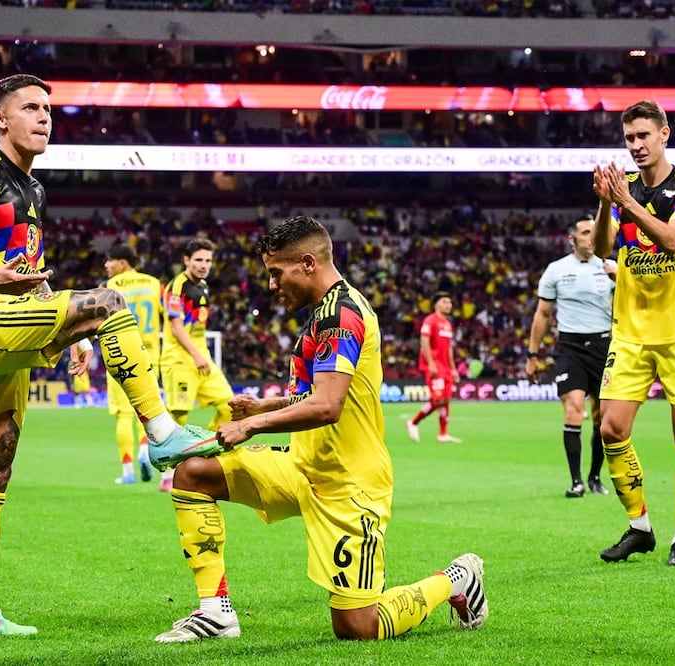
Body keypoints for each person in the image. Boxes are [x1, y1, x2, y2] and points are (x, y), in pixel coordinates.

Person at [0, 74, 222, 638]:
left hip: (0, 340)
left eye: (48, 109)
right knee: (109, 300)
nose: (44, 117)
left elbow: (27, 278)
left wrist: (74, 335)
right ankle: (160, 431)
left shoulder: (32, 192)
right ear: (1, 119)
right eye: (29, 107)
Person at [152, 216, 487, 643]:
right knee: (194, 473)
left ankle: (457, 580)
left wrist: (253, 424)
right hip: (301, 465)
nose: (271, 285)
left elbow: (328, 406)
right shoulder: (324, 313)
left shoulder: (341, 315)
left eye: (277, 273)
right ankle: (215, 612)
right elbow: (315, 394)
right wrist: (264, 404)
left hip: (349, 483)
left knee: (357, 627)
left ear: (308, 263)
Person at [592, 99, 675, 567]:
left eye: (644, 135)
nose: (636, 146)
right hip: (630, 331)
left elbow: (672, 239)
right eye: (629, 138)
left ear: (665, 134)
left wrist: (624, 201)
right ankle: (640, 527)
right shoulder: (620, 187)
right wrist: (607, 204)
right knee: (611, 427)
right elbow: (604, 247)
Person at [525, 217, 616, 498]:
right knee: (573, 408)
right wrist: (532, 354)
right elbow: (542, 314)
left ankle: (595, 477)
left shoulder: (611, 268)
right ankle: (576, 481)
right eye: (586, 232)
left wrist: (622, 279)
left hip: (604, 346)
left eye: (595, 233)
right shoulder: (556, 270)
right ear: (572, 239)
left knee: (603, 417)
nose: (591, 238)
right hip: (570, 347)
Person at [159, 238, 234, 491]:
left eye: (208, 261)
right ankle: (168, 472)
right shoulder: (177, 286)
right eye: (199, 260)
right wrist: (196, 355)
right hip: (180, 359)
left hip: (203, 359)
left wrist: (202, 356)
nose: (204, 265)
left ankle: (204, 447)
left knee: (230, 407)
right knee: (178, 416)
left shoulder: (202, 286)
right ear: (186, 260)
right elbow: (175, 324)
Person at [102, 244, 162, 487]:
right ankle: (145, 451)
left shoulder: (111, 286)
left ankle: (127, 471)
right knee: (145, 410)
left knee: (123, 415)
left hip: (120, 353)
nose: (107, 265)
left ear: (123, 263)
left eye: (110, 261)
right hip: (149, 355)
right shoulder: (154, 283)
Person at [405, 291, 462, 444]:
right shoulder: (430, 320)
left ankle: (443, 434)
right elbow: (424, 341)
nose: (448, 305)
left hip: (445, 366)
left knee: (446, 399)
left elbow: (449, 348)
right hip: (434, 364)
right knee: (438, 399)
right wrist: (431, 363)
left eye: (449, 302)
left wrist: (453, 368)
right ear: (436, 304)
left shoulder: (448, 324)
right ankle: (413, 423)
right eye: (444, 302)